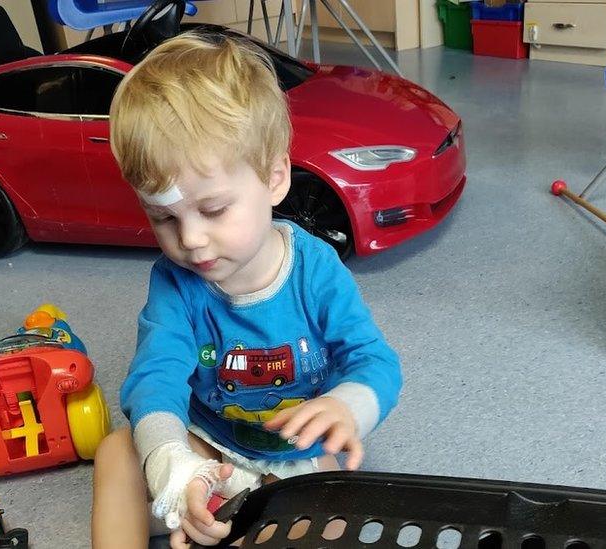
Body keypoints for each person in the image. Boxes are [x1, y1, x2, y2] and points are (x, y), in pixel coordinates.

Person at [91, 30, 401, 549]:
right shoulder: (175, 281)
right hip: (210, 446)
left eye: (213, 210)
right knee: (117, 453)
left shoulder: (316, 270)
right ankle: (197, 508)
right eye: (163, 218)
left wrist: (348, 405)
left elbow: (376, 361)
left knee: (328, 508)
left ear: (276, 177)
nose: (189, 240)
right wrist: (173, 463)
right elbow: (154, 379)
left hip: (296, 459)